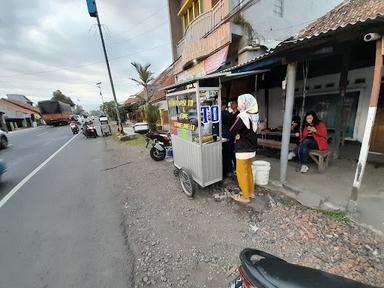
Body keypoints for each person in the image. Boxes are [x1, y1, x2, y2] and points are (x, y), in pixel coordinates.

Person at [229, 94, 259, 204]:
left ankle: (245, 197)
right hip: (251, 149)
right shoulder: (254, 116)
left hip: (242, 150)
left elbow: (232, 130)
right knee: (248, 171)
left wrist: (237, 134)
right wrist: (239, 134)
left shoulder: (242, 116)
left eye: (240, 102)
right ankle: (250, 192)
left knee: (241, 173)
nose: (239, 104)